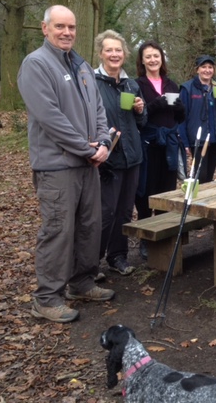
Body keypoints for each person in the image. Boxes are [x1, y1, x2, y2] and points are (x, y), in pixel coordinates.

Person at [17, 5, 115, 323]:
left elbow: (98, 109)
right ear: (45, 28)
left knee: (89, 226)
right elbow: (50, 118)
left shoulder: (82, 65)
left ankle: (82, 282)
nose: (67, 32)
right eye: (60, 26)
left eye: (71, 27)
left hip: (88, 164)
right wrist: (85, 149)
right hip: (57, 165)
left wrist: (102, 143)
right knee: (59, 230)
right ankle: (46, 298)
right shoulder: (36, 64)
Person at [94, 30, 147, 276]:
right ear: (101, 53)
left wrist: (140, 109)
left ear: (124, 54)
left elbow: (142, 122)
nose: (114, 54)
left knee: (126, 211)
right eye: (109, 50)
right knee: (105, 212)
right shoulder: (92, 83)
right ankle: (91, 264)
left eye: (118, 50)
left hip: (132, 156)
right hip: (107, 159)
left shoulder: (131, 84)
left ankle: (118, 257)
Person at [135, 41, 186, 259]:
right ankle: (146, 239)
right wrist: (157, 103)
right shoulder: (136, 85)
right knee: (146, 191)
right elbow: (139, 117)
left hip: (170, 144)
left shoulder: (172, 85)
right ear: (142, 61)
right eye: (148, 57)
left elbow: (180, 118)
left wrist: (179, 107)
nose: (153, 60)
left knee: (166, 190)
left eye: (156, 56)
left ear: (161, 59)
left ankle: (164, 235)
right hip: (149, 143)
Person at [178, 55, 216, 183]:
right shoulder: (188, 88)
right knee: (199, 177)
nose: (207, 70)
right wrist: (184, 142)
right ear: (197, 69)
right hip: (198, 140)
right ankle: (195, 200)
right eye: (203, 67)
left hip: (215, 139)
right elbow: (181, 117)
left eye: (210, 67)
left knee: (209, 177)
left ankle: (205, 201)